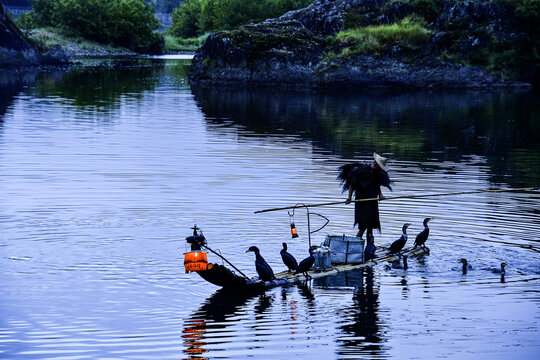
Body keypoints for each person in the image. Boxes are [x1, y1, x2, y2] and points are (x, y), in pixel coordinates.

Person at [337, 153, 392, 241]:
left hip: (372, 201)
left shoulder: (377, 173)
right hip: (361, 201)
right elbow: (352, 184)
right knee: (363, 226)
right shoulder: (361, 171)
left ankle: (369, 246)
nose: (380, 169)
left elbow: (377, 185)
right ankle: (355, 245)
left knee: (371, 226)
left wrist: (380, 195)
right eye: (380, 167)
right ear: (376, 164)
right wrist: (349, 198)